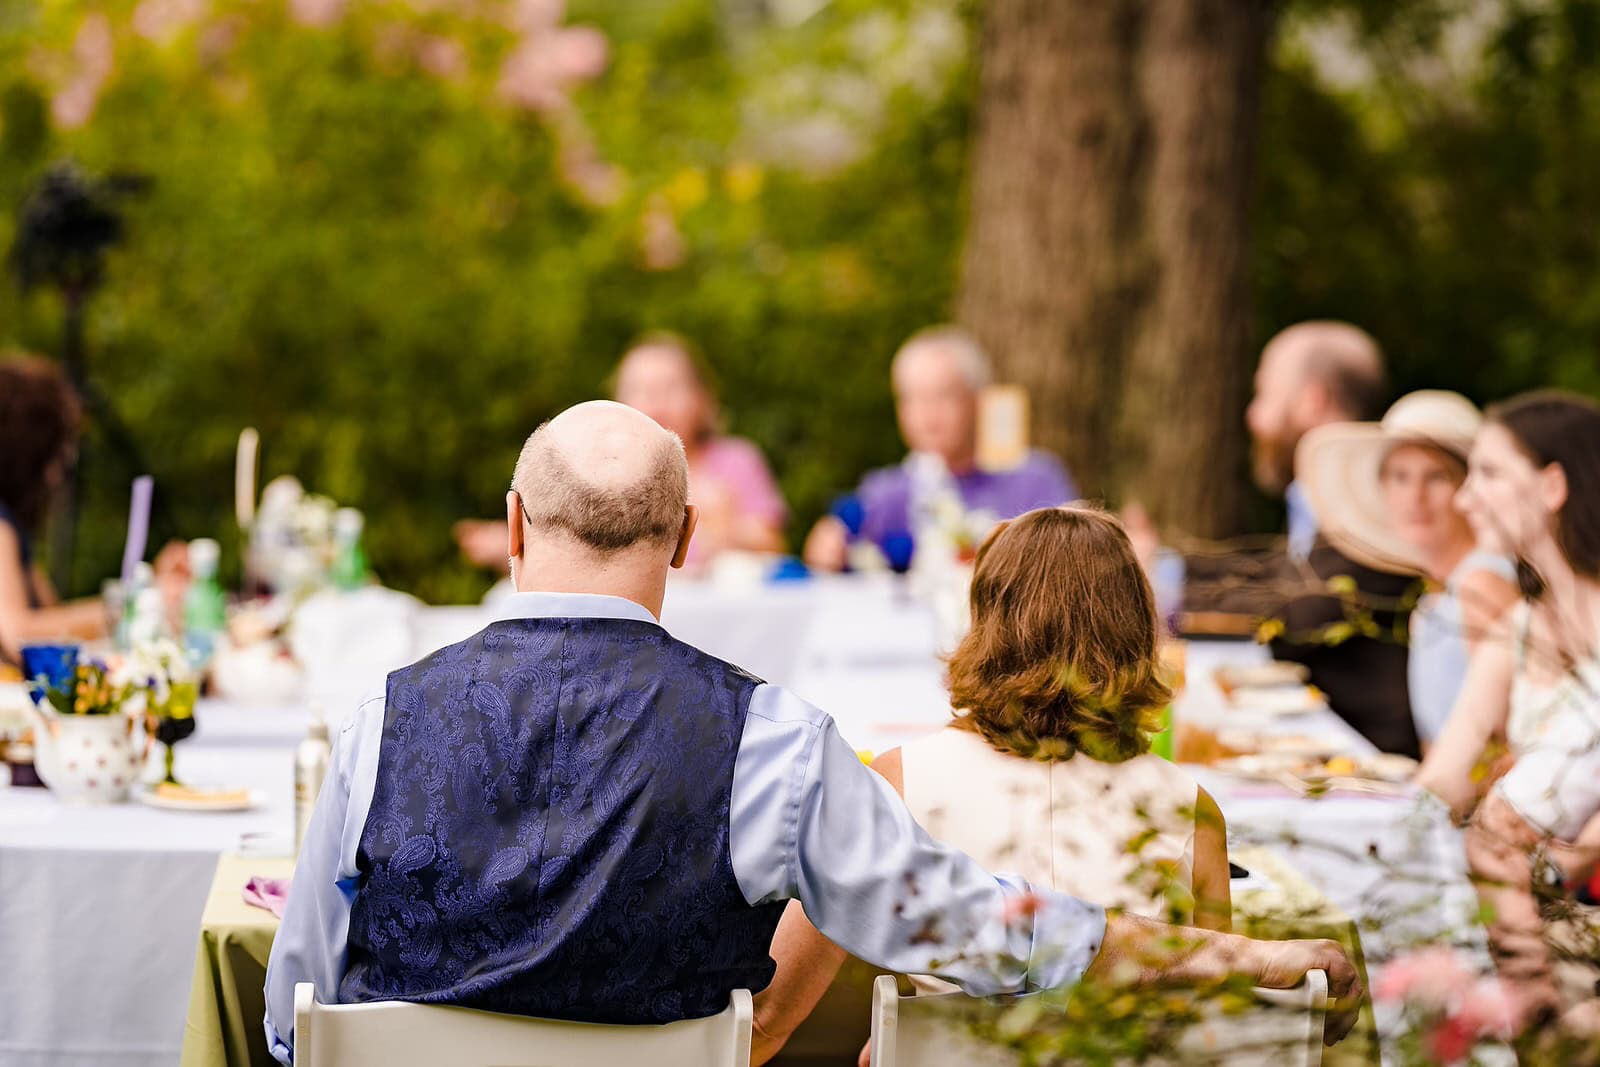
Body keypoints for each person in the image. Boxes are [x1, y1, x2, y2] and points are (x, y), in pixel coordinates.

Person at [264, 401, 1361, 1063]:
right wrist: (1243, 950)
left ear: (510, 524)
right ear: (687, 535)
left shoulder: (377, 725)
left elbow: (289, 1017)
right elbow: (985, 929)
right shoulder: (770, 740)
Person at [751, 506, 1231, 1063]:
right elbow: (1212, 1017)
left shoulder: (900, 782)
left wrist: (899, 1043)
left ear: (985, 623)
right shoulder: (1191, 809)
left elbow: (768, 1018)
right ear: (1136, 632)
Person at [1132, 321, 1423, 757]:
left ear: (1313, 401)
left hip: (1372, 755)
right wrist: (1163, 566)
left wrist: (1154, 578)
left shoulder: (1381, 504)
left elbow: (1302, 606)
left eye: (1264, 395)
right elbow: (1281, 573)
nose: (1253, 416)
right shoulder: (1316, 496)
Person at [1297, 391, 1520, 748]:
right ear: (1383, 488)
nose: (1415, 496)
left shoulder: (1482, 585)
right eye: (1400, 477)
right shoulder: (1436, 592)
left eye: (1436, 477)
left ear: (1469, 488)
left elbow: (1511, 742)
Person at [1418, 392, 1600, 825]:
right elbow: (1442, 782)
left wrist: (1569, 858)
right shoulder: (1518, 629)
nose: (1465, 500)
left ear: (1552, 487)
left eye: (1489, 473)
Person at [454, 332, 786, 570]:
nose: (656, 399)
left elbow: (774, 546)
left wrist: (728, 530)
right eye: (640, 388)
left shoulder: (735, 461)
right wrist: (520, 547)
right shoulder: (600, 470)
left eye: (671, 387)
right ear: (616, 402)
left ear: (703, 399)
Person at [802, 326, 1076, 572]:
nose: (927, 415)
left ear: (977, 401)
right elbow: (832, 557)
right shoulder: (887, 491)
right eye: (912, 398)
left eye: (943, 396)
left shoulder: (1033, 479)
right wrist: (827, 548)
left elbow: (1072, 561)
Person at [0, 357, 186, 661]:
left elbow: (55, 619)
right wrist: (132, 604)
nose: (61, 471)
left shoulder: (14, 528)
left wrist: (147, 586)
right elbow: (20, 633)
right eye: (59, 451)